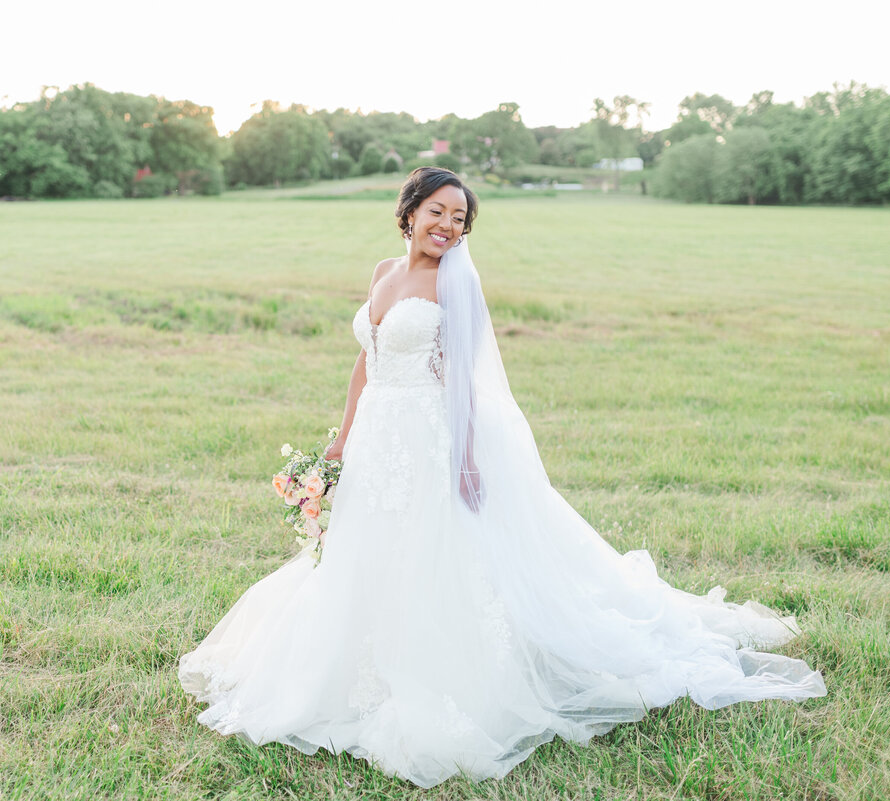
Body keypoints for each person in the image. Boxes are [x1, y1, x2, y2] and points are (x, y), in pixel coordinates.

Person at [178, 167, 826, 788]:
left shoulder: (453, 286)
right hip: (377, 437)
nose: (449, 226)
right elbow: (366, 361)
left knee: (434, 553)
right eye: (438, 212)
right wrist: (339, 444)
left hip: (428, 437)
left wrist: (463, 458)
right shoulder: (382, 274)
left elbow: (462, 379)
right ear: (409, 212)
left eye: (460, 219)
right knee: (363, 552)